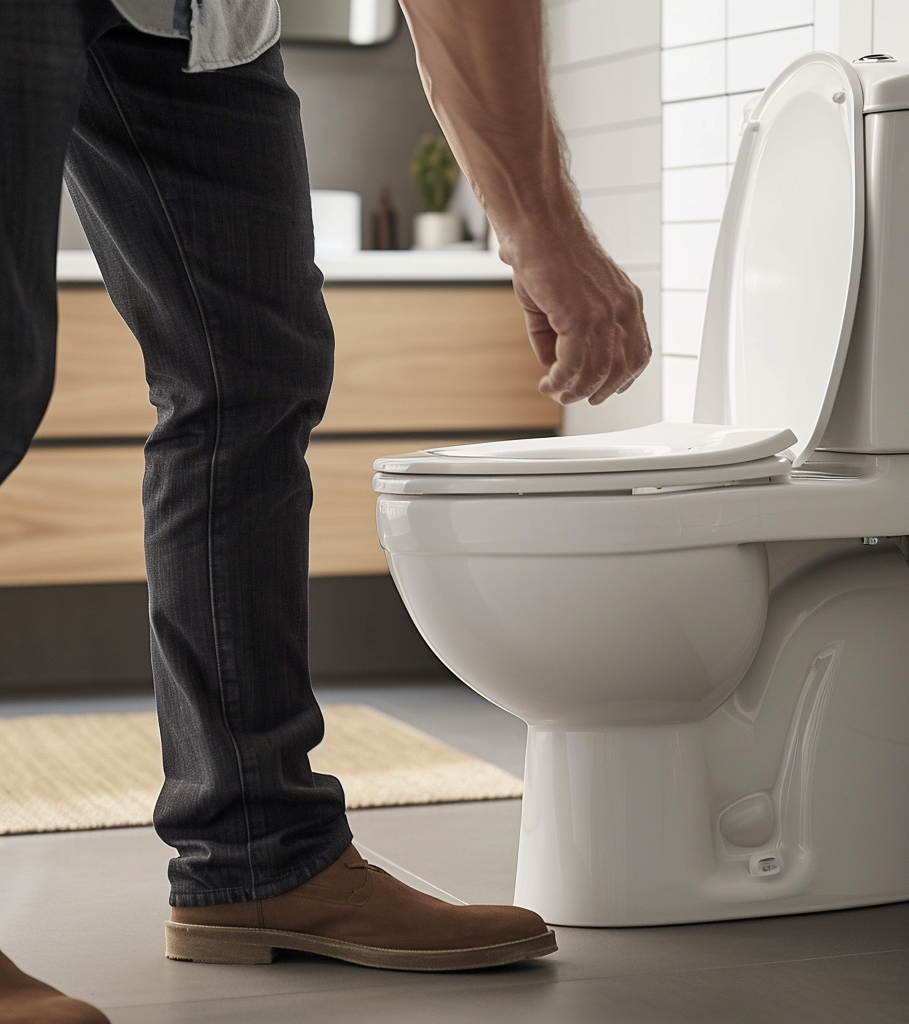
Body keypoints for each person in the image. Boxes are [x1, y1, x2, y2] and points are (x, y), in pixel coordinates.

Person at [0, 0, 651, 1018]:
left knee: (253, 374)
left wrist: (535, 226)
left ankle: (261, 854)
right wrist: (543, 231)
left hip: (197, 18)